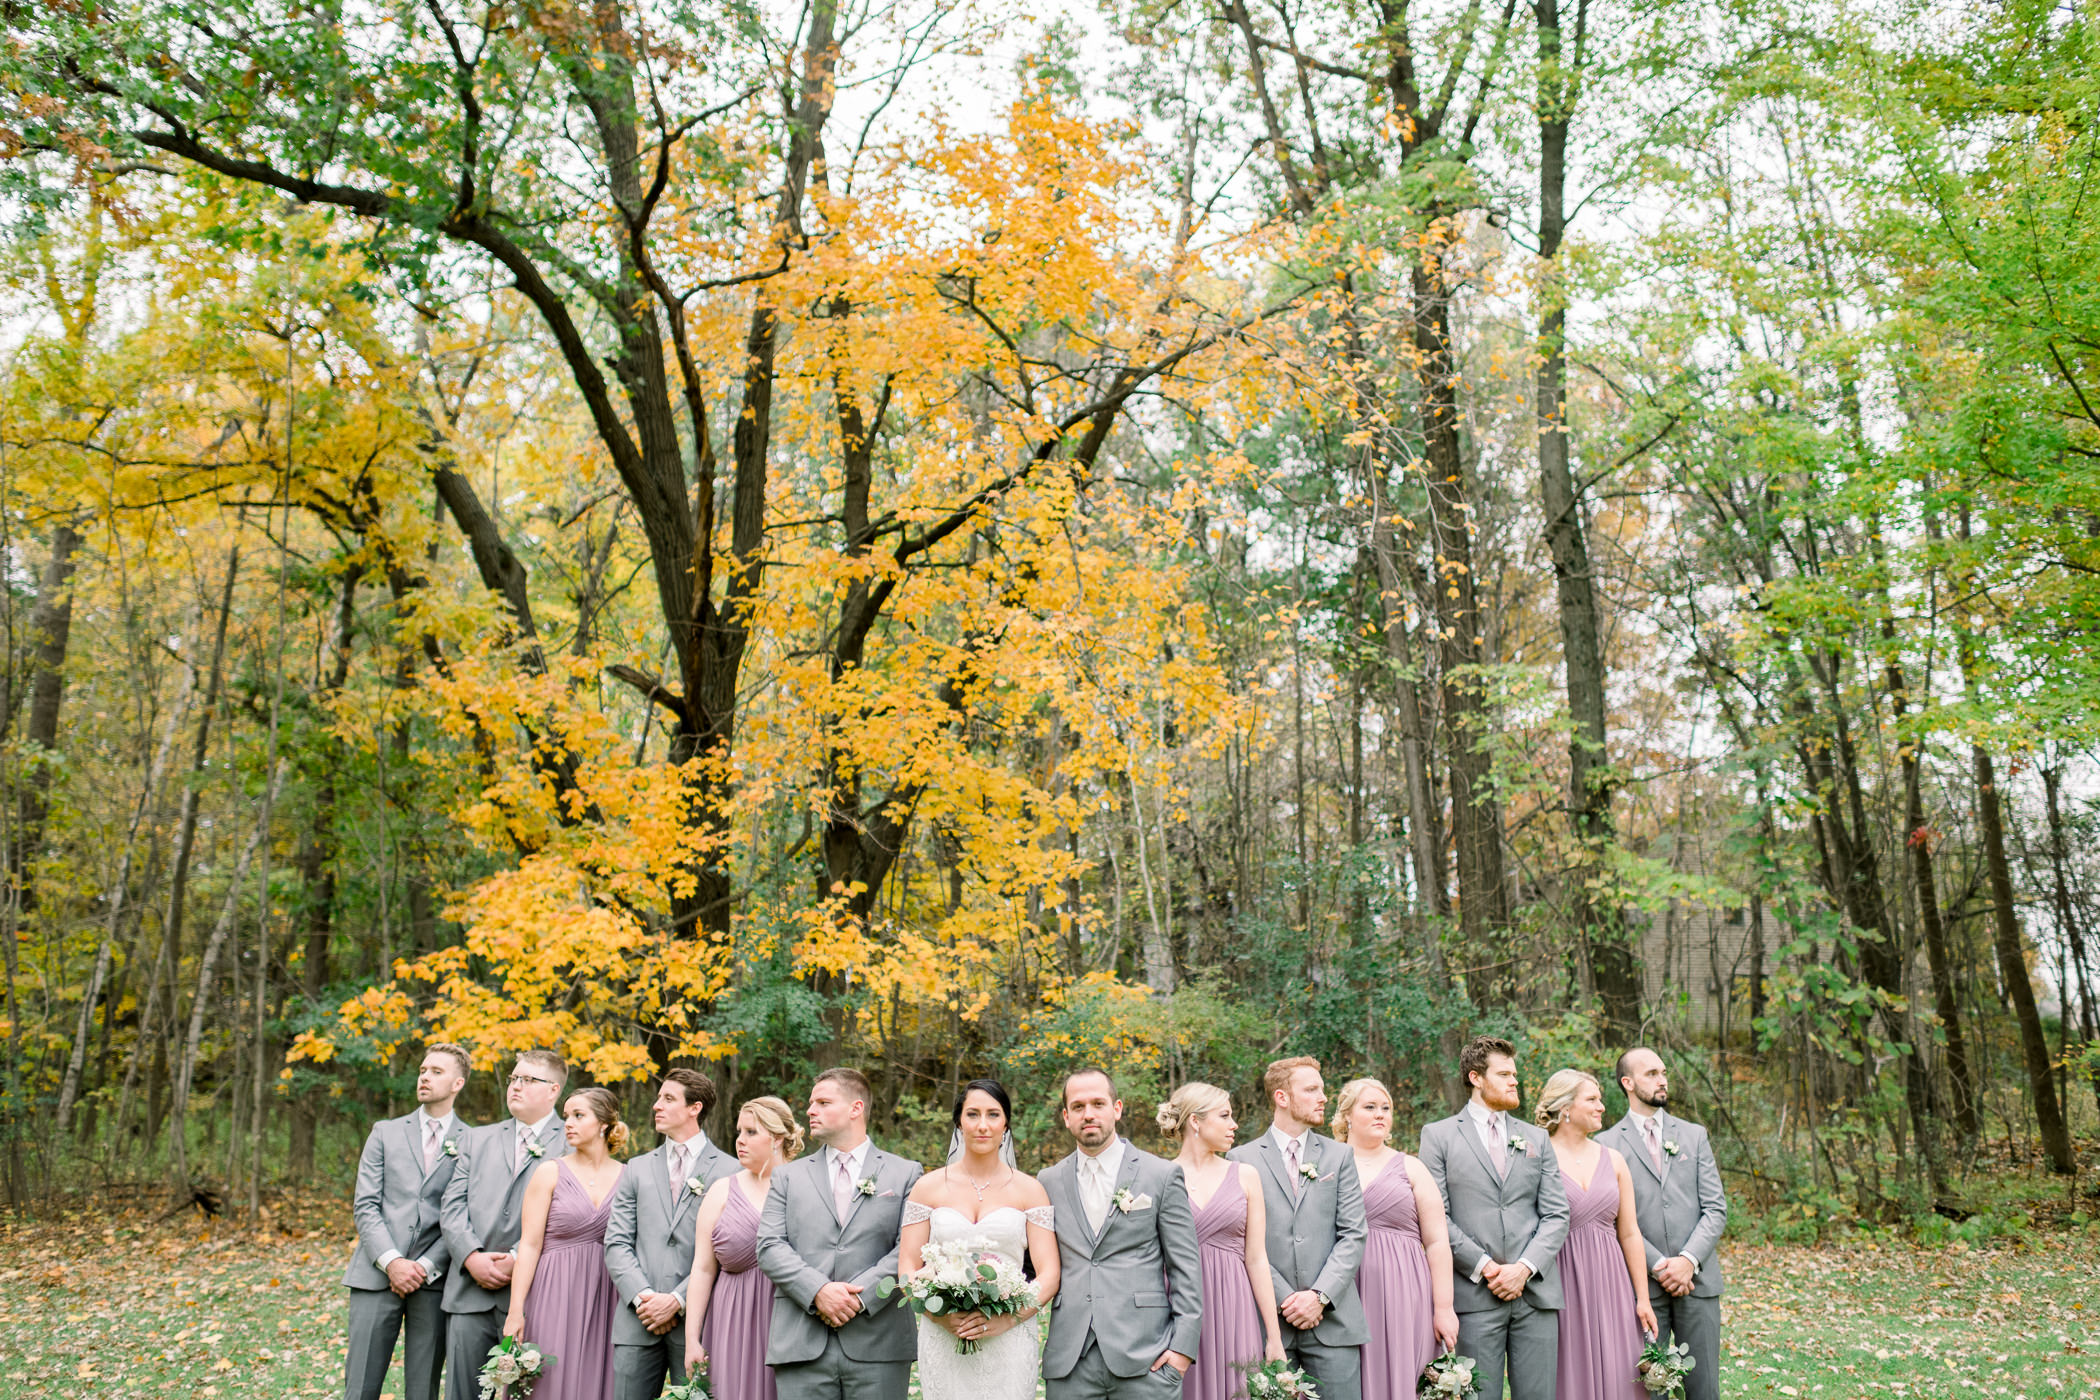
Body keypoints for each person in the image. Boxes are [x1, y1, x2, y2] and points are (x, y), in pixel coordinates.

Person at [754, 1068, 923, 1400]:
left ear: (855, 1109)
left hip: (880, 1342)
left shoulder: (906, 1173)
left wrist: (860, 1298)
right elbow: (769, 1245)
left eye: (822, 1102)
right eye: (810, 1102)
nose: (809, 1110)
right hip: (802, 1342)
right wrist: (818, 1291)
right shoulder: (788, 1177)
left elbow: (911, 1250)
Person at [1418, 1037, 1570, 1400]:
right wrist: (1487, 1267)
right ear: (1476, 1078)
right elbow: (1436, 1218)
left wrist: (1523, 1268)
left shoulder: (1536, 1138)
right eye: (1504, 1074)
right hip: (1473, 1296)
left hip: (1534, 1294)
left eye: (1514, 1074)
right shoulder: (1437, 1136)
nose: (1514, 1081)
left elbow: (1556, 1214)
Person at [1040, 1067, 1202, 1400]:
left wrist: (1182, 1350)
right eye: (1079, 1106)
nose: (1089, 1114)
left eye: (1098, 1104)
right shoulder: (1047, 1181)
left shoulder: (1161, 1175)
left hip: (1148, 1358)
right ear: (1066, 1116)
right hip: (1070, 1361)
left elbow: (1185, 1268)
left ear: (1117, 1109)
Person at [898, 1080, 1061, 1400]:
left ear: (1006, 1123)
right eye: (972, 1114)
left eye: (993, 1114)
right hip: (944, 1333)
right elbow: (907, 1265)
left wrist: (1007, 1319)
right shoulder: (927, 1188)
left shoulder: (1030, 1190)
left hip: (1009, 1337)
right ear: (959, 1122)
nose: (983, 1125)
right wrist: (937, 1314)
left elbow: (1049, 1274)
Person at [1226, 1056, 1368, 1400]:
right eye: (1311, 1089)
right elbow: (1242, 1241)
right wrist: (1286, 1299)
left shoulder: (1339, 1156)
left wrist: (1319, 1297)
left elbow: (1354, 1234)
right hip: (1268, 1325)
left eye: (1322, 1089)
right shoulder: (1240, 1160)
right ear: (1282, 1097)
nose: (1323, 1097)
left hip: (1334, 1323)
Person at [343, 1043, 474, 1400]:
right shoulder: (384, 1132)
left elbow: (462, 1215)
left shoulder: (473, 1142)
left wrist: (425, 1265)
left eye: (436, 1072)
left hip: (432, 1283)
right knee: (360, 1387)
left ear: (458, 1083)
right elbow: (366, 1206)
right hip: (375, 1275)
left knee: (423, 1388)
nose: (425, 1077)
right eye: (422, 1070)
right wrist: (393, 1262)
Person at [442, 1049, 574, 1400]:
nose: (515, 1086)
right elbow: (452, 1206)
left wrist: (519, 1257)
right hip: (470, 1291)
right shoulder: (476, 1139)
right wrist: (471, 1257)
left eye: (528, 1079)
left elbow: (574, 1217)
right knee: (462, 1393)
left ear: (554, 1090)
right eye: (514, 1078)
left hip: (536, 1295)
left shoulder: (572, 1141)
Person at [1598, 1049, 1725, 1400]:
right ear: (1628, 1083)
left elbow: (1715, 1208)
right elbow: (1613, 1217)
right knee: (1648, 1388)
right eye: (1652, 1073)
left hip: (1698, 1284)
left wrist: (1687, 1261)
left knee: (1704, 1388)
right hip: (1641, 1288)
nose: (1663, 1079)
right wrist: (1658, 1266)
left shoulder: (1694, 1135)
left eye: (1664, 1072)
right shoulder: (1606, 1145)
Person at [606, 1068, 739, 1400]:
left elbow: (727, 1249)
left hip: (699, 1324)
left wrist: (678, 1300)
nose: (656, 1105)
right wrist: (644, 1298)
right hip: (638, 1321)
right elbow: (617, 1241)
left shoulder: (730, 1170)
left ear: (695, 1108)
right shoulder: (636, 1167)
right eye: (657, 1098)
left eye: (668, 1098)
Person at [504, 1086, 633, 1400]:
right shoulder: (550, 1172)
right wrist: (515, 1311)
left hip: (606, 1295)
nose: (568, 1123)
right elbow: (530, 1245)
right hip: (552, 1292)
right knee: (549, 1377)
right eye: (566, 1116)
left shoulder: (630, 1176)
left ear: (604, 1123)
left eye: (579, 1115)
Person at [1156, 1083, 1283, 1400]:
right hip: (1177, 1312)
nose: (1234, 1125)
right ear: (1195, 1122)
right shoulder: (1158, 1176)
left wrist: (1274, 1336)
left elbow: (1256, 1259)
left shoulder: (1245, 1175)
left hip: (1234, 1310)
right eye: (1224, 1115)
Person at [1331, 1077, 1455, 1400]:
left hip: (1405, 1291)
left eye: (1386, 1108)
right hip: (1346, 1291)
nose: (1380, 1114)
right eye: (1369, 1107)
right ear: (1347, 1116)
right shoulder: (1328, 1167)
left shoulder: (1412, 1168)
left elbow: (1438, 1241)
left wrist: (1444, 1307)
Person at [1538, 1071, 1655, 1400]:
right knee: (1569, 1373)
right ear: (1565, 1107)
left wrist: (1642, 1298)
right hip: (1562, 1282)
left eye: (1600, 1099)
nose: (1602, 1106)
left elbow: (1630, 1232)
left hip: (1612, 1282)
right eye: (1592, 1099)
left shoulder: (1614, 1159)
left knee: (1622, 1373)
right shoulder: (1536, 1158)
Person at [688, 1097, 801, 1400]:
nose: (739, 1141)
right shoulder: (721, 1190)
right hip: (731, 1321)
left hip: (789, 1321)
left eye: (751, 1132)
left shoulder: (804, 1187)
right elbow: (701, 1269)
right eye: (739, 1132)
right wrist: (691, 1340)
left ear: (777, 1137)